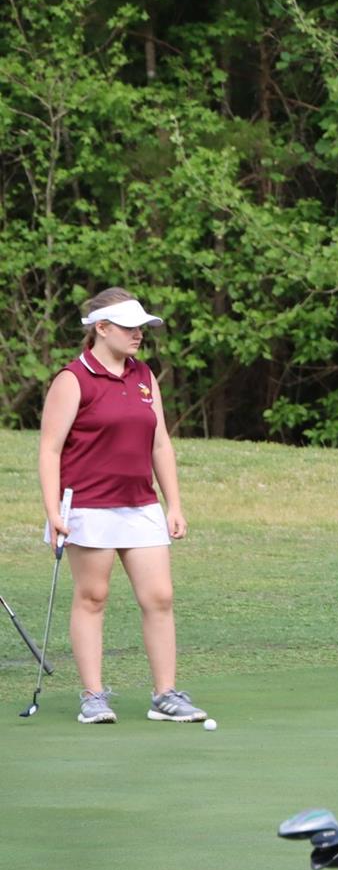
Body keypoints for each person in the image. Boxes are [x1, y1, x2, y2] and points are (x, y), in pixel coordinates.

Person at [37, 288, 203, 725]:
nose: (139, 334)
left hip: (140, 504)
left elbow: (160, 442)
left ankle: (165, 695)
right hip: (88, 505)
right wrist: (53, 511)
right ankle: (93, 696)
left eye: (142, 327)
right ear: (101, 328)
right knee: (93, 596)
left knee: (160, 597)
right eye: (130, 327)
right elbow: (50, 449)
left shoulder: (144, 375)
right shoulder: (73, 379)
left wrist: (174, 503)